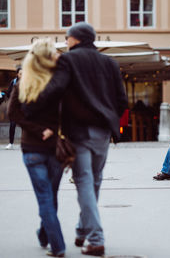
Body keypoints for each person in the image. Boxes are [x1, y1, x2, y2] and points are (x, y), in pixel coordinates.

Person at [23, 22, 128, 257]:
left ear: (76, 39)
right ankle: (82, 230)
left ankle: (96, 238)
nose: (66, 41)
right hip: (103, 133)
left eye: (67, 37)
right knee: (95, 181)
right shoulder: (110, 63)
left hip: (78, 132)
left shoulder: (68, 61)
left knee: (84, 182)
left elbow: (56, 88)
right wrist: (108, 118)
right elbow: (122, 100)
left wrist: (31, 106)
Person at [7, 38, 65, 257]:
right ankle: (57, 245)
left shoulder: (24, 82)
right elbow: (66, 112)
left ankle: (45, 234)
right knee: (50, 196)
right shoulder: (58, 82)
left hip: (32, 148)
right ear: (47, 57)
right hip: (48, 147)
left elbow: (13, 113)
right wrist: (47, 128)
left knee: (46, 196)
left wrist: (38, 129)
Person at [5, 66, 22, 149]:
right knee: (12, 125)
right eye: (20, 74)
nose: (22, 75)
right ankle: (11, 143)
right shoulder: (14, 82)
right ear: (17, 74)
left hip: (24, 107)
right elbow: (8, 93)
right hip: (15, 107)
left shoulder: (27, 82)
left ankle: (24, 143)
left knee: (26, 125)